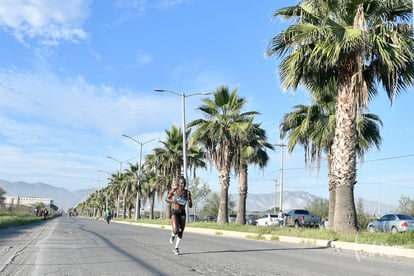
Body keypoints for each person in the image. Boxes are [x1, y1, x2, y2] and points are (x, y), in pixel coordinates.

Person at [165, 176, 192, 255]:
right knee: (176, 230)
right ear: (178, 183)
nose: (182, 185)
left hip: (182, 212)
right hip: (175, 211)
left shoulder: (187, 192)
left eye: (183, 183)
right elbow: (166, 199)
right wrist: (173, 201)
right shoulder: (174, 190)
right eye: (181, 183)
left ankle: (176, 248)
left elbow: (190, 205)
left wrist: (189, 201)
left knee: (181, 231)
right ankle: (173, 235)